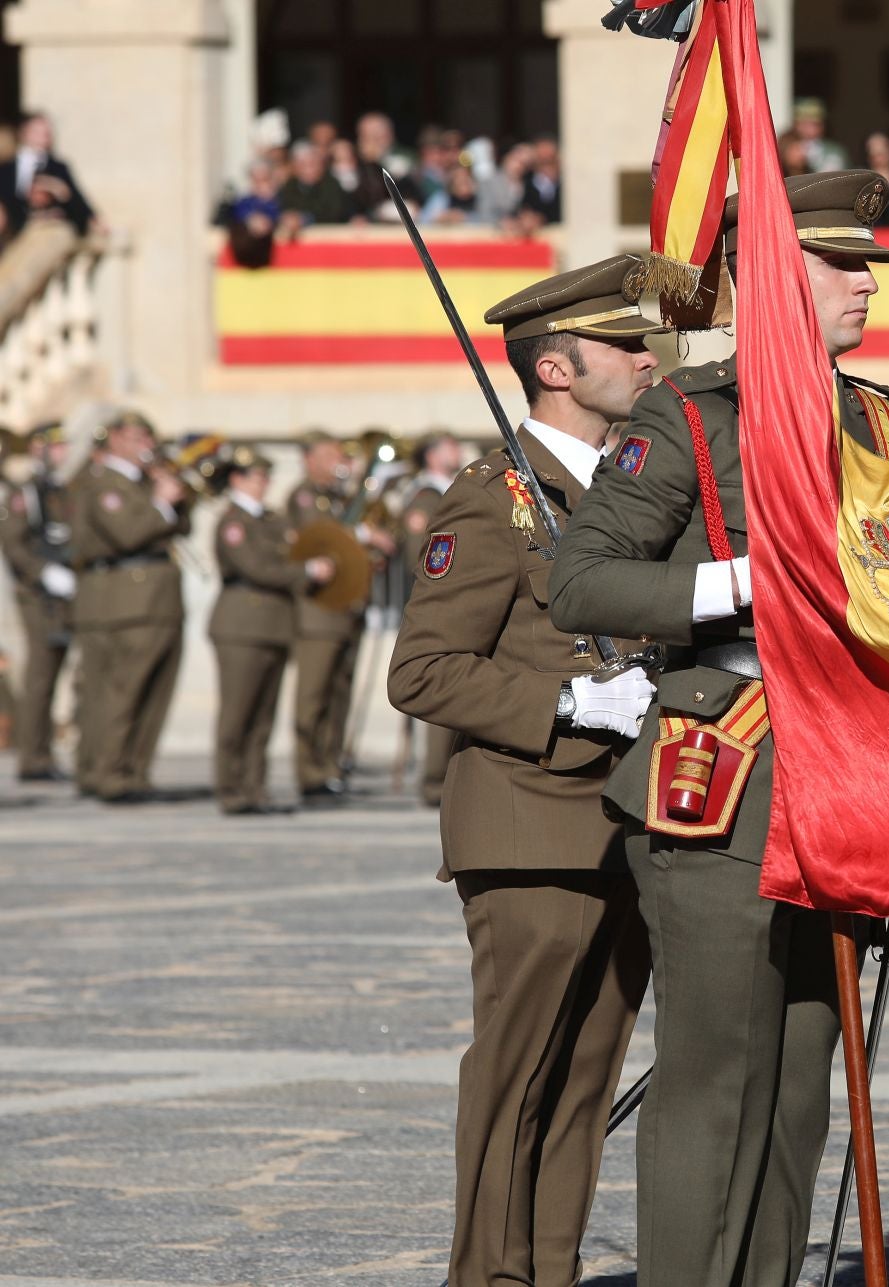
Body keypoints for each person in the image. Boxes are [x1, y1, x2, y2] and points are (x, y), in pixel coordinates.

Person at [549, 170, 889, 1287]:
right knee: (716, 1070)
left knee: (803, 1076)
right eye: (841, 264)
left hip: (849, 770)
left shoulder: (887, 419)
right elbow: (583, 582)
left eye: (867, 266)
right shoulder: (688, 411)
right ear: (773, 277)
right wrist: (738, 583)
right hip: (724, 766)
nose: (866, 284)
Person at [387, 254, 663, 1287]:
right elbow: (421, 671)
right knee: (516, 1075)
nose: (648, 358)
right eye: (625, 344)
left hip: (626, 821)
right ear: (556, 366)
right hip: (529, 823)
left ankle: (550, 1271)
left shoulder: (632, 489)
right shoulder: (491, 499)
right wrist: (565, 703)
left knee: (587, 1077)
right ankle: (489, 1278)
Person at [68, 411, 191, 803]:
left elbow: (180, 527)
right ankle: (109, 772)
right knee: (121, 692)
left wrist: (171, 497)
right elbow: (128, 533)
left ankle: (135, 771)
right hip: (125, 602)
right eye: (139, 437)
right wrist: (160, 503)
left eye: (149, 437)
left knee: (154, 693)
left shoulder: (140, 481)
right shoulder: (103, 482)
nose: (148, 445)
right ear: (116, 439)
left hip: (155, 599)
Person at [208, 446, 333, 815]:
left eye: (265, 477)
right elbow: (258, 569)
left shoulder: (271, 520)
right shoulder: (233, 522)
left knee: (263, 715)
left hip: (274, 626)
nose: (262, 484)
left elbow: (294, 547)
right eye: (255, 477)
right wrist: (307, 572)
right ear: (236, 480)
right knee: (237, 712)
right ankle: (231, 789)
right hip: (242, 625)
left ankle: (254, 787)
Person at [286, 432, 394, 803]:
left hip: (347, 609)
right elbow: (324, 539)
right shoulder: (304, 496)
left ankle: (330, 768)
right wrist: (363, 533)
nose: (339, 461)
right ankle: (309, 772)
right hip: (319, 612)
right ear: (310, 460)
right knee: (313, 697)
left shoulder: (339, 499)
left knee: (338, 696)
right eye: (331, 454)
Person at [1, 421, 76, 782]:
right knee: (40, 674)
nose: (62, 452)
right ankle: (32, 757)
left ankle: (44, 752)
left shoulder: (60, 488)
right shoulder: (27, 492)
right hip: (37, 594)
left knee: (57, 670)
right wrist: (42, 572)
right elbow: (14, 542)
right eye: (55, 446)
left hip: (65, 590)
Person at [396, 431, 465, 807]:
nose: (458, 451)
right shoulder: (426, 497)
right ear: (433, 456)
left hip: (458, 605)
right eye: (451, 446)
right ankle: (434, 782)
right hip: (441, 606)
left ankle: (446, 779)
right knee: (442, 696)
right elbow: (420, 556)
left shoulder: (453, 489)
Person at [11, 112, 98, 235]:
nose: (44, 136)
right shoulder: (7, 168)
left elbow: (82, 209)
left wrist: (60, 190)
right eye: (37, 132)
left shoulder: (59, 168)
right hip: (16, 231)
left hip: (50, 229)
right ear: (24, 133)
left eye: (46, 133)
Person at [277, 140, 355, 230]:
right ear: (295, 167)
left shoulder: (332, 185)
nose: (309, 169)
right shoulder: (289, 187)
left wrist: (305, 219)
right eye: (303, 165)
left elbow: (335, 214)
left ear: (321, 165)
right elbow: (283, 211)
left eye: (312, 164)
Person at [791, 98, 847, 172]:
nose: (811, 130)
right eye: (805, 124)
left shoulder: (835, 151)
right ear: (796, 125)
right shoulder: (789, 148)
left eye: (816, 124)